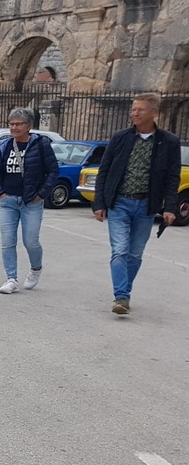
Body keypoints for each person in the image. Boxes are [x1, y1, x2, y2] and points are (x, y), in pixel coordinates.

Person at [92, 93, 182, 315]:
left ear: (154, 113)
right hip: (119, 203)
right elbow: (104, 171)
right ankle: (121, 296)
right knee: (120, 250)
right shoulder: (120, 138)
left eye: (140, 110)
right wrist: (99, 203)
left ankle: (124, 293)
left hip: (146, 206)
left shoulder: (168, 142)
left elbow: (173, 176)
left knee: (135, 254)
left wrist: (170, 207)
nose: (134, 113)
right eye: (133, 109)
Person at [0, 107, 59, 294]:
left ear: (29, 126)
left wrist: (41, 194)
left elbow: (53, 171)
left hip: (31, 202)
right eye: (11, 124)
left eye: (18, 124)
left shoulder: (41, 145)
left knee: (31, 241)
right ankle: (11, 278)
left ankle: (36, 268)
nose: (14, 127)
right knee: (8, 241)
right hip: (8, 200)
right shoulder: (3, 146)